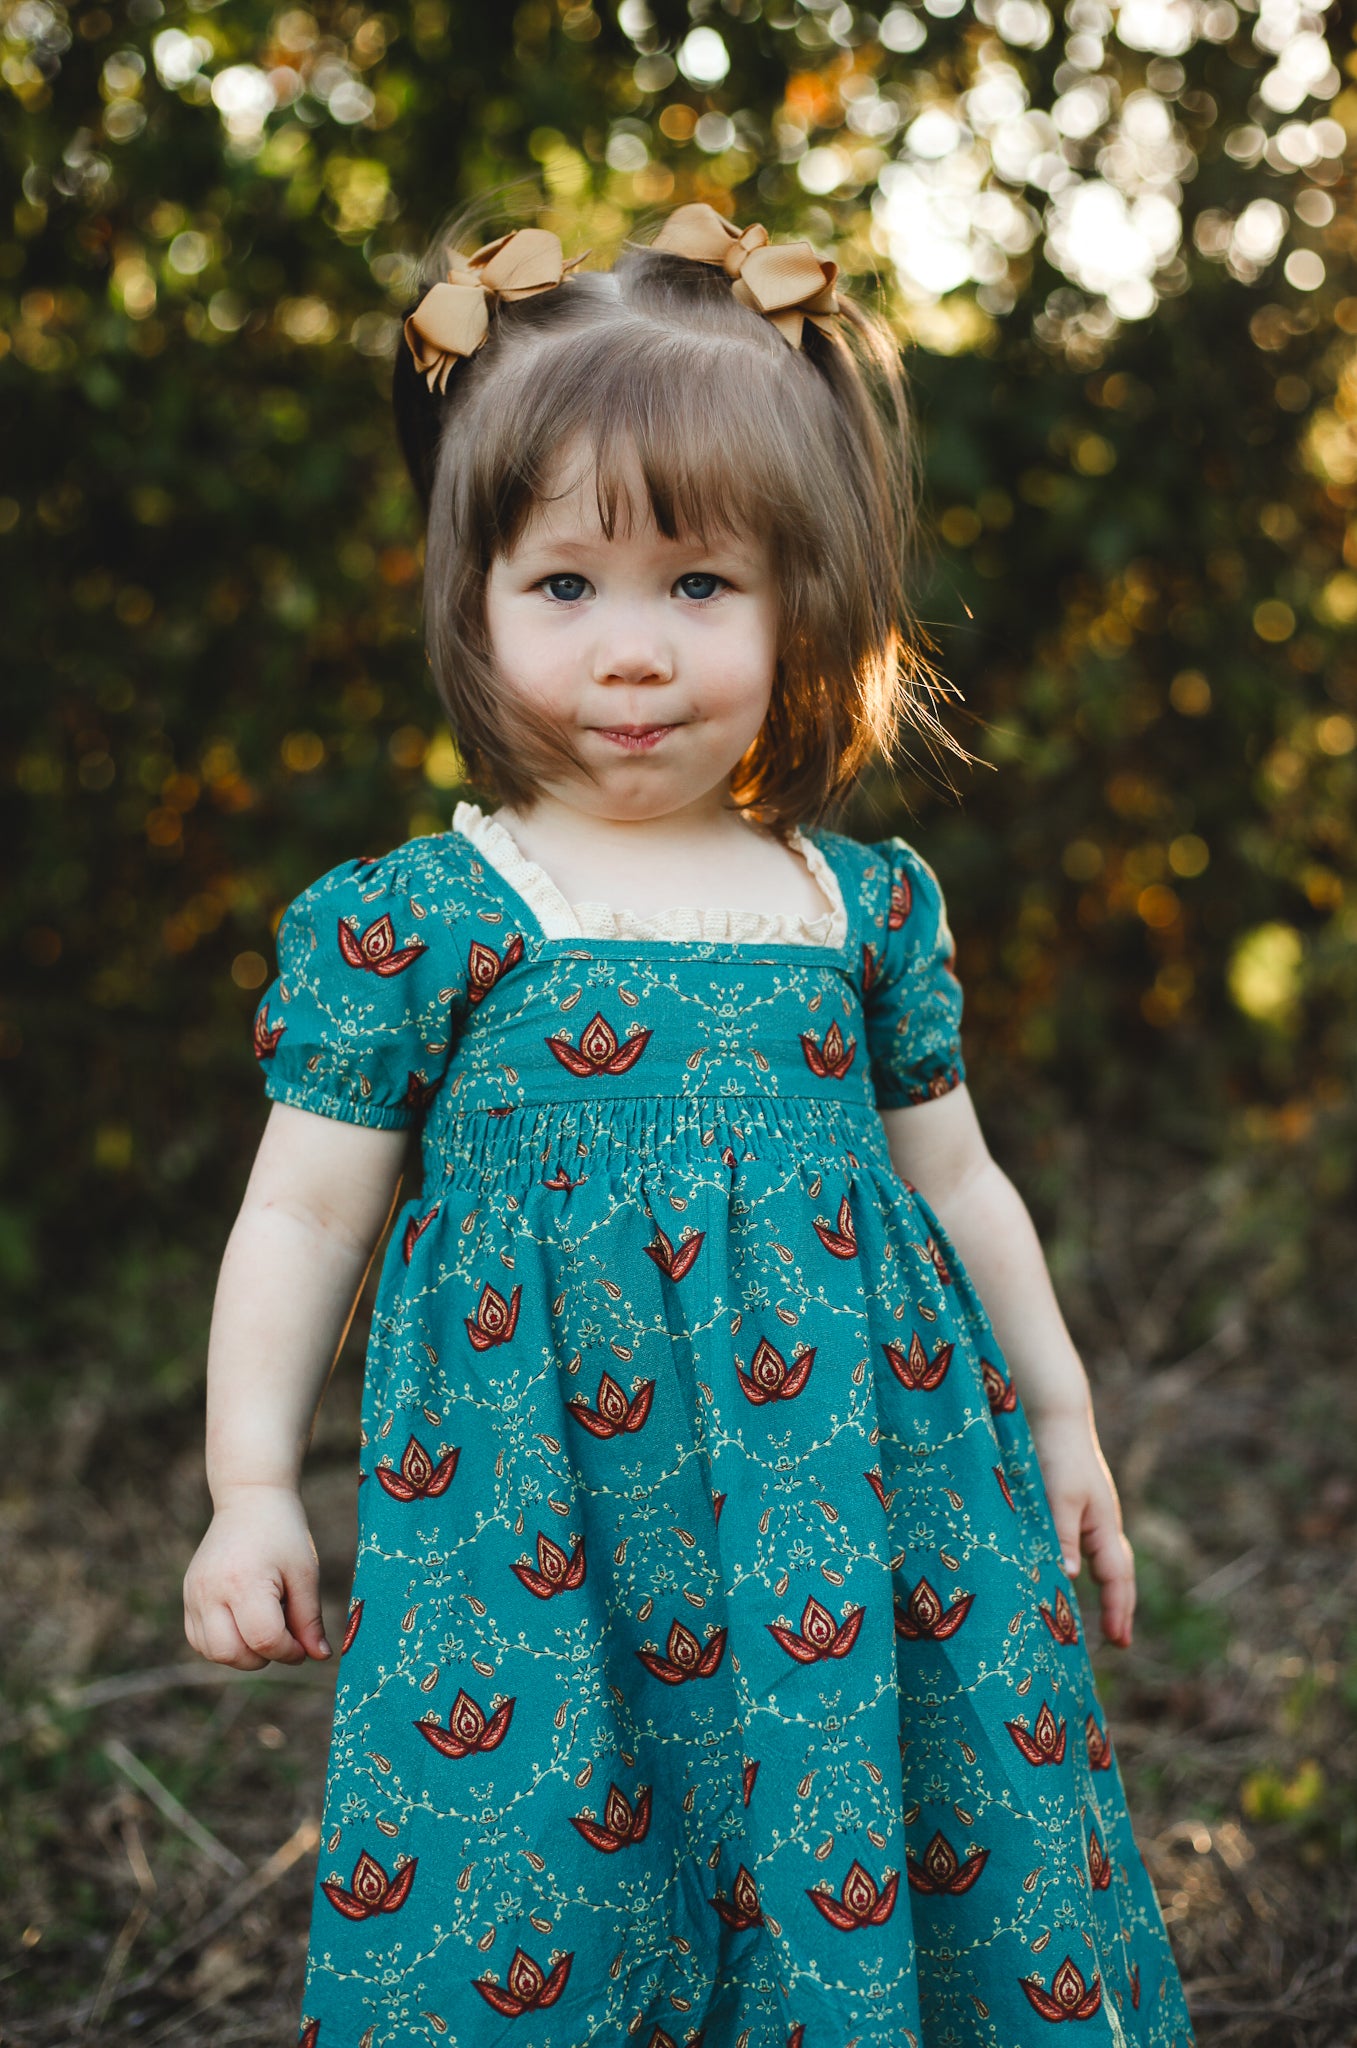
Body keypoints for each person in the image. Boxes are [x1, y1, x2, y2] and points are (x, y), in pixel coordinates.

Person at [183, 203, 1196, 2047]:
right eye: (564, 585)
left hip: (854, 1510)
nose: (630, 652)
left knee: (889, 1828)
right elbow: (304, 1221)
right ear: (470, 598)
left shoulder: (853, 908)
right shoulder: (433, 919)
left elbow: (955, 1184)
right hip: (544, 1538)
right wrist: (252, 1487)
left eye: (699, 586)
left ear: (803, 601)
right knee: (551, 1881)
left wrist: (1058, 1413)